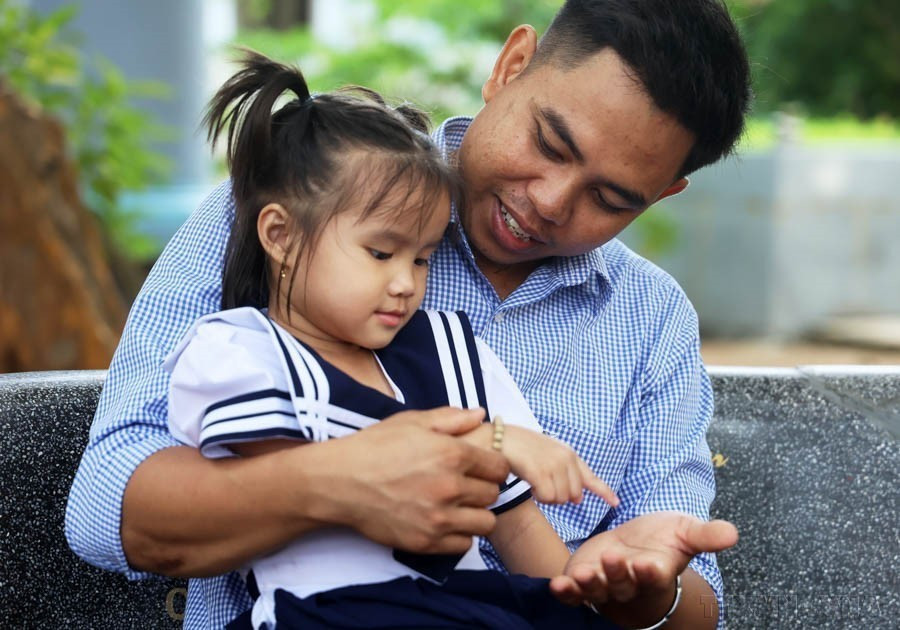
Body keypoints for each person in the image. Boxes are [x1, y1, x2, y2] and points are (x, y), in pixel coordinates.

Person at [65, 1, 750, 628]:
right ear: (511, 67)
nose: (550, 201)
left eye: (610, 197)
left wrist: (644, 592)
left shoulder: (651, 322)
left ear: (662, 193)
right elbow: (103, 509)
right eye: (550, 143)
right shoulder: (301, 204)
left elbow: (694, 600)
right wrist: (339, 484)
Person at [165, 51, 621, 628]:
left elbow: (520, 527)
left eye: (424, 258)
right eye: (380, 253)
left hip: (466, 606)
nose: (406, 284)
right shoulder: (237, 351)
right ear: (279, 235)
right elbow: (293, 483)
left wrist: (593, 586)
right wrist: (491, 440)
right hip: (330, 612)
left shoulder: (451, 352)